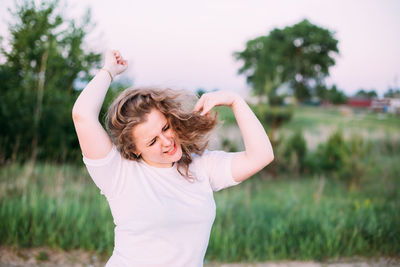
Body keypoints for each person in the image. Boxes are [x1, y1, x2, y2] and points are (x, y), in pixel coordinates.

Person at [72, 50, 274, 267]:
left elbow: (261, 156)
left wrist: (235, 101)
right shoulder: (119, 173)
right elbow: (82, 115)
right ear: (135, 149)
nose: (167, 141)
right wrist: (109, 70)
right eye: (152, 141)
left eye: (166, 127)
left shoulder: (201, 166)